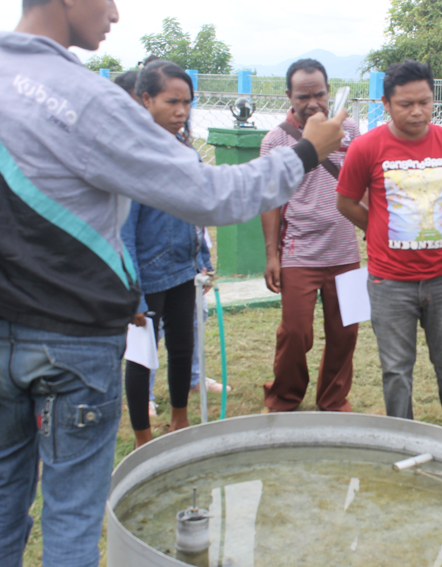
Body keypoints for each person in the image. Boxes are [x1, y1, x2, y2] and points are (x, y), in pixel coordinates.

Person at [0, 1, 346, 566]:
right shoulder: (87, 99)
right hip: (70, 346)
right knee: (70, 521)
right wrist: (308, 151)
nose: (113, 11)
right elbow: (212, 195)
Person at [336, 59, 442, 434]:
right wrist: (377, 229)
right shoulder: (367, 148)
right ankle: (402, 439)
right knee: (396, 369)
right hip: (389, 284)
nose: (417, 111)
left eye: (425, 102)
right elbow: (345, 201)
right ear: (385, 104)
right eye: (405, 104)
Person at [121, 60, 214, 448]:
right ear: (146, 100)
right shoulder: (130, 156)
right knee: (142, 355)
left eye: (187, 103)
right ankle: (144, 439)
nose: (181, 112)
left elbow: (195, 212)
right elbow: (123, 232)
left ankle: (180, 420)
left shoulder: (186, 154)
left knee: (182, 346)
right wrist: (133, 292)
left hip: (182, 269)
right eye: (172, 102)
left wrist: (203, 261)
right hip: (146, 273)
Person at [260, 59, 361, 413]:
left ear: (329, 91)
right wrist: (272, 255)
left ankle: (334, 399)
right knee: (296, 332)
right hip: (299, 252)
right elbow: (270, 202)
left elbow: (362, 180)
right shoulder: (276, 140)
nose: (314, 102)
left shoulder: (348, 129)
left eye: (319, 94)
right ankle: (284, 396)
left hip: (346, 250)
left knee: (346, 330)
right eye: (304, 96)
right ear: (289, 96)